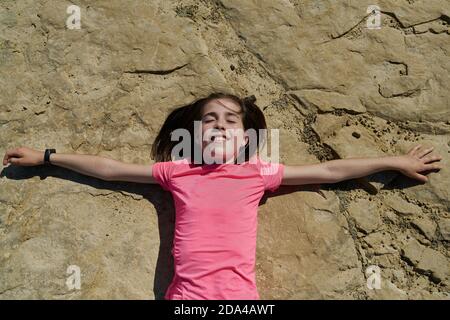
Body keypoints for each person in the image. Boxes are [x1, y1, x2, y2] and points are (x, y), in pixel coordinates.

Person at [2, 92, 443, 300]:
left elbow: (330, 170)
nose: (218, 125)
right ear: (193, 134)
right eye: (208, 119)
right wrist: (46, 156)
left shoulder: (257, 173)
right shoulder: (179, 172)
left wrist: (393, 161)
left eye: (230, 121)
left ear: (247, 138)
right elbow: (111, 168)